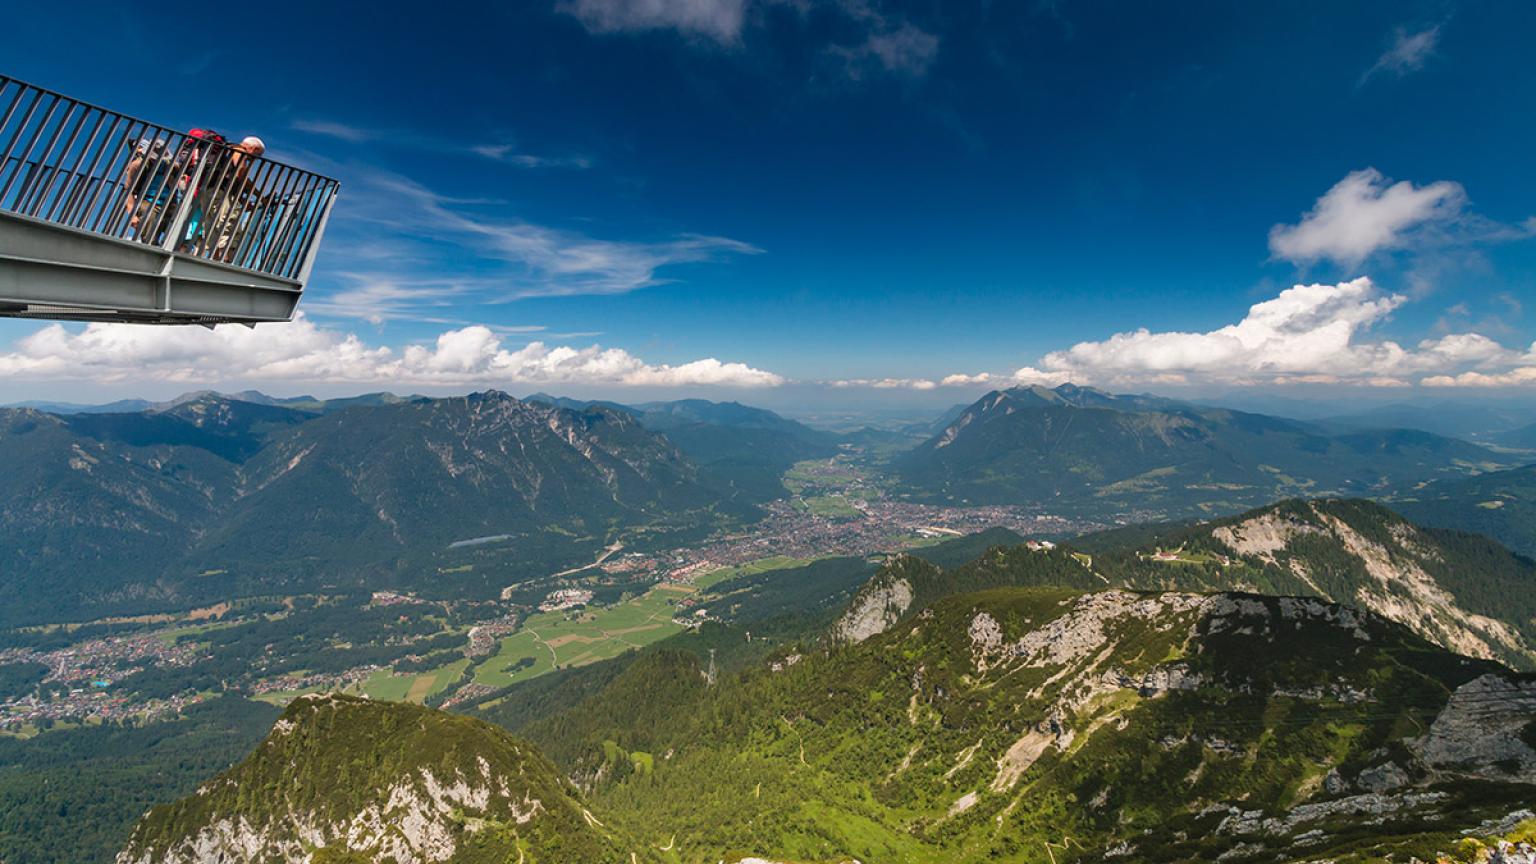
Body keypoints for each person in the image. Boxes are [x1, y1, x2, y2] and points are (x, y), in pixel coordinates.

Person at [198, 135, 266, 263]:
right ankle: (226, 260)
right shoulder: (239, 150)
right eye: (257, 155)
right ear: (252, 148)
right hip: (221, 191)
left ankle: (214, 259)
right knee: (229, 224)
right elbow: (241, 174)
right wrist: (260, 197)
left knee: (213, 225)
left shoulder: (226, 149)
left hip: (208, 189)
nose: (256, 159)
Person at [120, 137, 181, 244]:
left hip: (170, 203)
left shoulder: (169, 165)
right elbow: (128, 190)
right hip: (148, 201)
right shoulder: (137, 165)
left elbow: (183, 170)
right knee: (150, 235)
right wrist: (132, 215)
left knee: (179, 235)